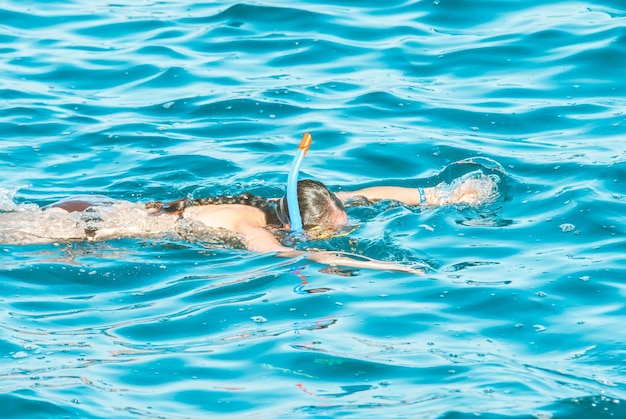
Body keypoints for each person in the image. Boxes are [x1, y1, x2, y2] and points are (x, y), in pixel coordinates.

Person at [0, 160, 501, 273]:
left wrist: (440, 198)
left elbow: (372, 192)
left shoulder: (293, 202)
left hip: (100, 203)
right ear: (310, 225)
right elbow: (282, 256)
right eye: (334, 229)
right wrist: (387, 267)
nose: (343, 224)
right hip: (82, 225)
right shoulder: (251, 225)